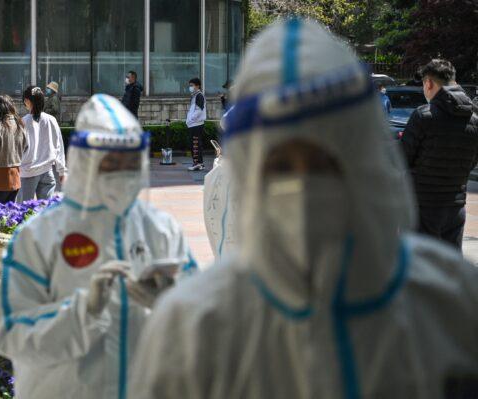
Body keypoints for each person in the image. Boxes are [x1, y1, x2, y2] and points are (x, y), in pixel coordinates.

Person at [129, 18, 478, 399]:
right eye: (281, 166)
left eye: (324, 161)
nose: (304, 186)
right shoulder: (196, 327)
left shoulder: (448, 302)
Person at [0, 94, 198, 399]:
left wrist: (171, 301)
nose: (122, 173)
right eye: (110, 163)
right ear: (87, 162)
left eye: (130, 162)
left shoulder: (160, 230)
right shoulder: (41, 236)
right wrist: (82, 312)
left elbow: (203, 323)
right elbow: (10, 331)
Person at [401, 59, 478, 250]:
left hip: (422, 207)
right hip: (456, 206)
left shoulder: (423, 116)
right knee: (450, 270)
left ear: (428, 83)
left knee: (420, 268)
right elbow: (472, 162)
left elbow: (401, 159)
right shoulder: (474, 120)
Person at [17, 86, 66, 201]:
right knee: (44, 210)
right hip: (47, 171)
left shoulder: (23, 122)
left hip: (28, 171)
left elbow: (18, 148)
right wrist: (61, 170)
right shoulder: (51, 120)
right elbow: (59, 145)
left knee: (23, 211)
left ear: (28, 101)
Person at [186, 77, 206, 171]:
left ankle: (197, 163)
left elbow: (198, 111)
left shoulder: (199, 95)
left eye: (192, 85)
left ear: (197, 86)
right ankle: (199, 163)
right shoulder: (194, 96)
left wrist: (191, 120)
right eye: (190, 85)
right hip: (194, 124)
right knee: (195, 144)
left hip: (196, 124)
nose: (190, 87)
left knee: (195, 144)